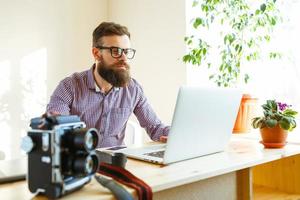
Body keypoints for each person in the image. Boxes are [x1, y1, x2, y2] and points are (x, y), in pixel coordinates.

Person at [46, 22, 170, 147]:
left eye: (126, 52)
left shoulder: (133, 89)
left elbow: (155, 128)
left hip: (116, 164)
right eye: (116, 51)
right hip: (80, 162)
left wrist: (177, 134)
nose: (124, 58)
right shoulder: (70, 86)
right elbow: (56, 125)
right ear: (96, 53)